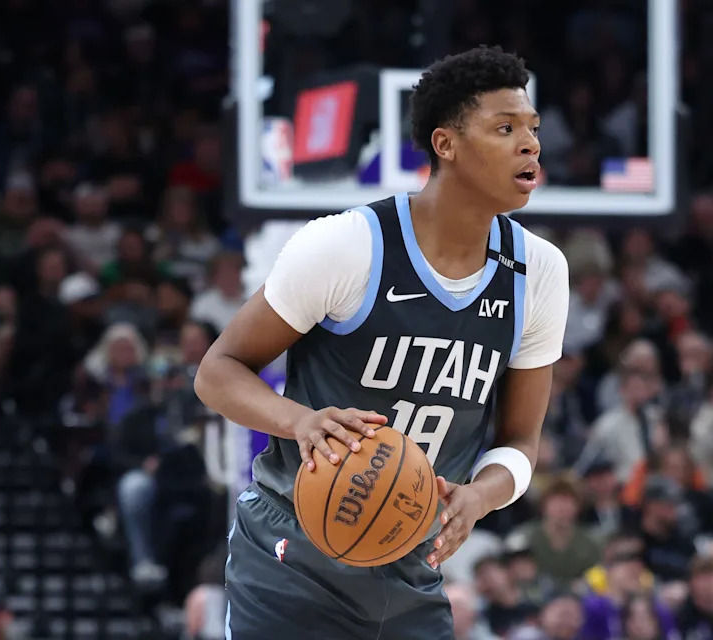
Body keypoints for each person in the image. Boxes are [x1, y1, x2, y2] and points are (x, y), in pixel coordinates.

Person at [194, 46, 569, 639]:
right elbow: (217, 372)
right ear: (445, 145)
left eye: (532, 128)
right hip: (294, 551)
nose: (530, 144)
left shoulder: (539, 272)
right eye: (505, 128)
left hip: (410, 561)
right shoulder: (347, 246)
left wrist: (480, 496)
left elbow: (521, 440)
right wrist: (301, 422)